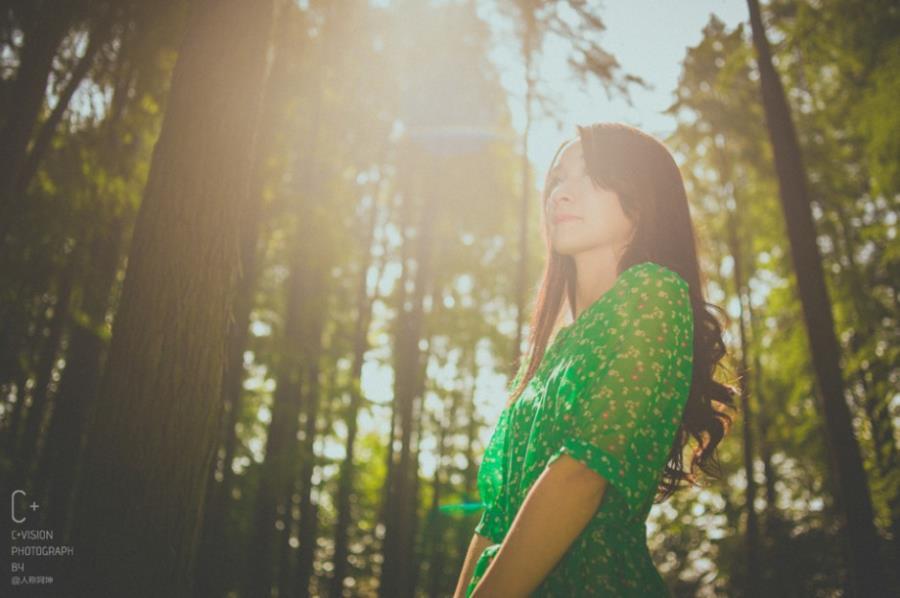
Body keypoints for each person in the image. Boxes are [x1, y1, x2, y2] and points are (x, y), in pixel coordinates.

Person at [453, 122, 737, 597]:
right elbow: (496, 518)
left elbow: (581, 473)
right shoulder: (548, 356)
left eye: (590, 175)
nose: (562, 194)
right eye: (558, 179)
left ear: (642, 198)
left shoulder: (654, 294)